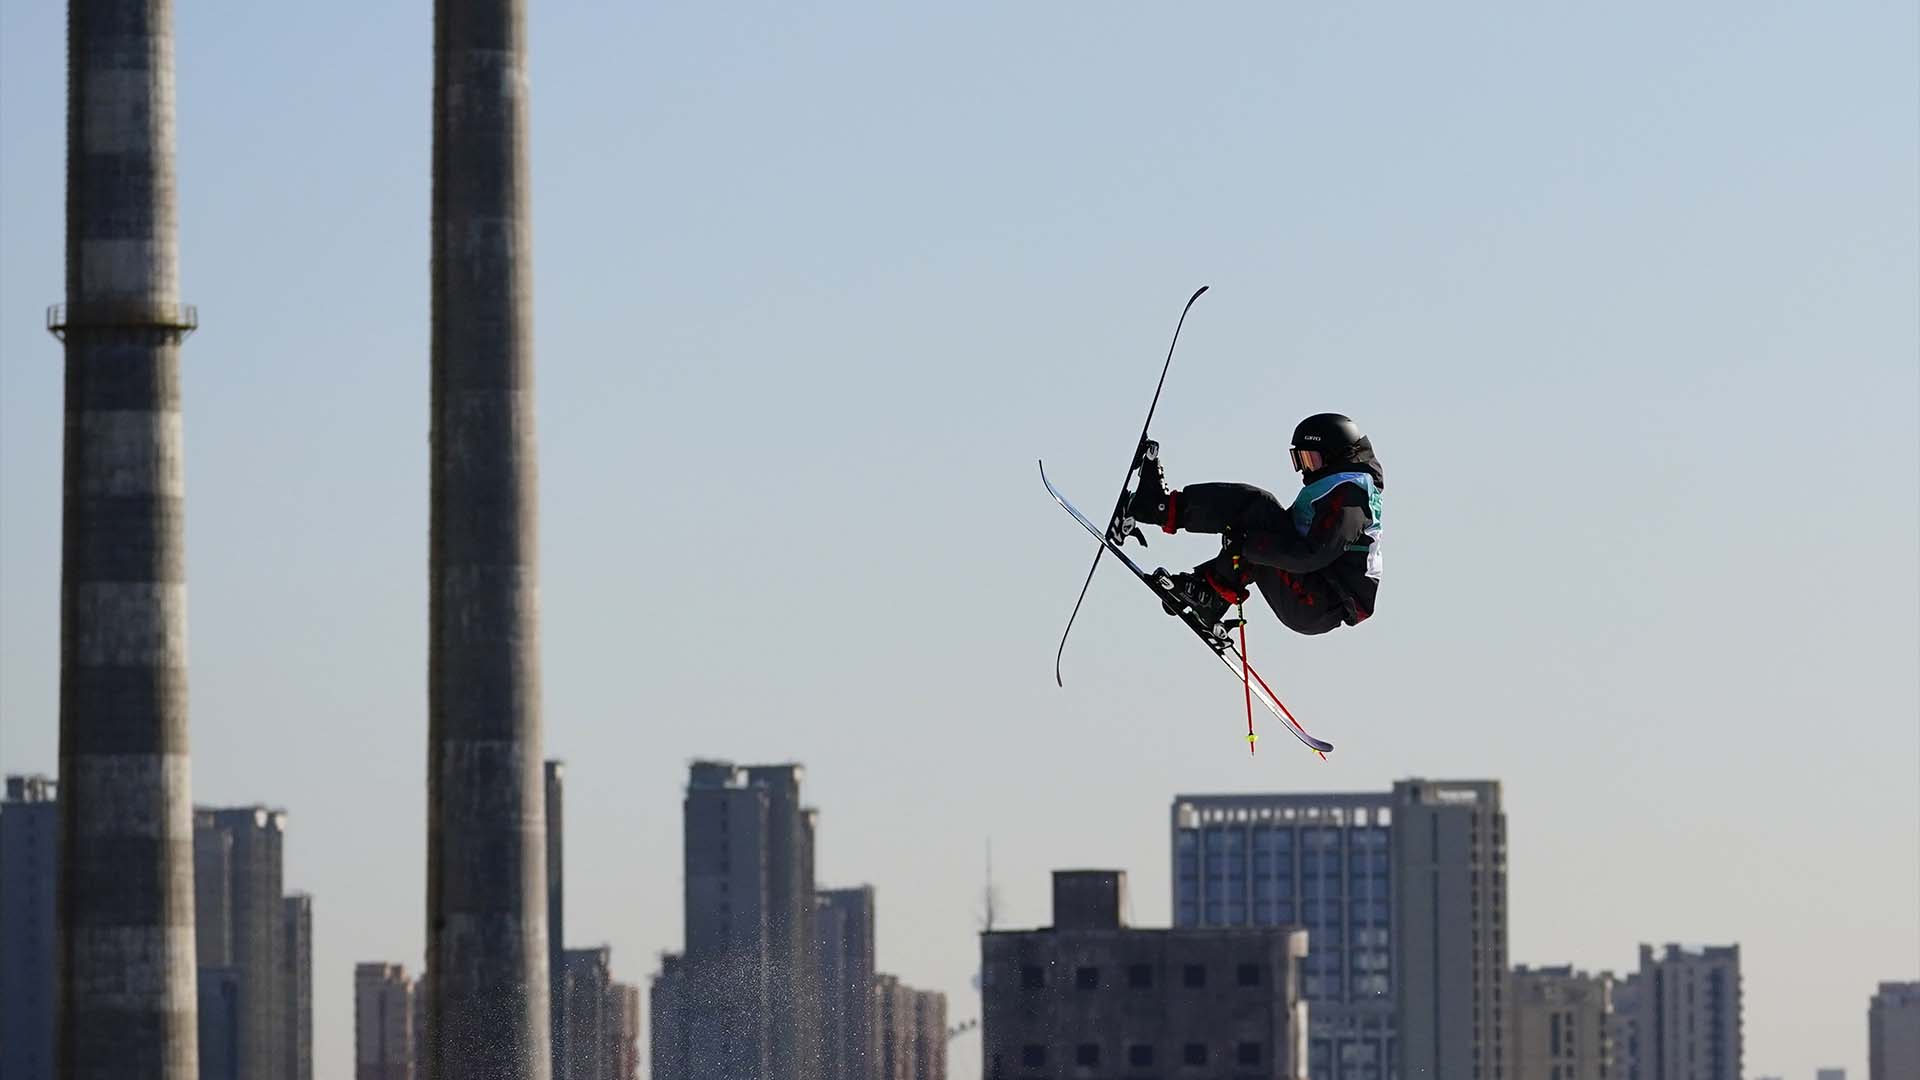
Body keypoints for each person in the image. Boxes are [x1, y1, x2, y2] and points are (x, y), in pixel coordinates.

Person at [1124, 413, 1384, 636]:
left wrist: (1249, 544)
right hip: (1313, 592)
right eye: (1300, 460)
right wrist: (1249, 543)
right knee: (1257, 511)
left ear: (1334, 456)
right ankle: (1164, 515)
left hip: (1317, 603)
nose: (1305, 470)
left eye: (1310, 460)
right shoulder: (1337, 488)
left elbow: (1312, 554)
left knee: (1257, 520)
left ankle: (1208, 592)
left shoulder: (1351, 497)